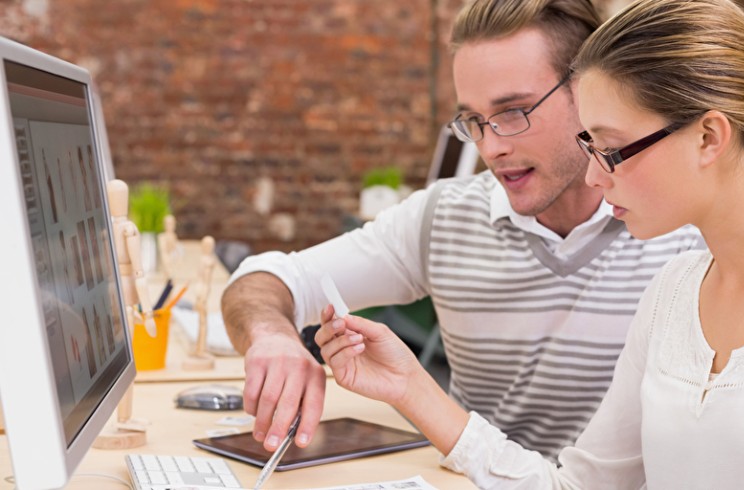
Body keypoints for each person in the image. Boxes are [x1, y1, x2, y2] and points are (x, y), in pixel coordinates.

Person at [316, 0, 744, 487]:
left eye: (613, 150)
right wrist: (414, 389)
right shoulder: (676, 292)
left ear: (709, 137)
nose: (596, 177)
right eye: (589, 148)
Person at [221, 0, 703, 459]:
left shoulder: (682, 231)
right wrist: (273, 336)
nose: (490, 147)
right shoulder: (444, 218)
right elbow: (268, 278)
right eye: (473, 120)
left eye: (514, 111)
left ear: (588, 91)